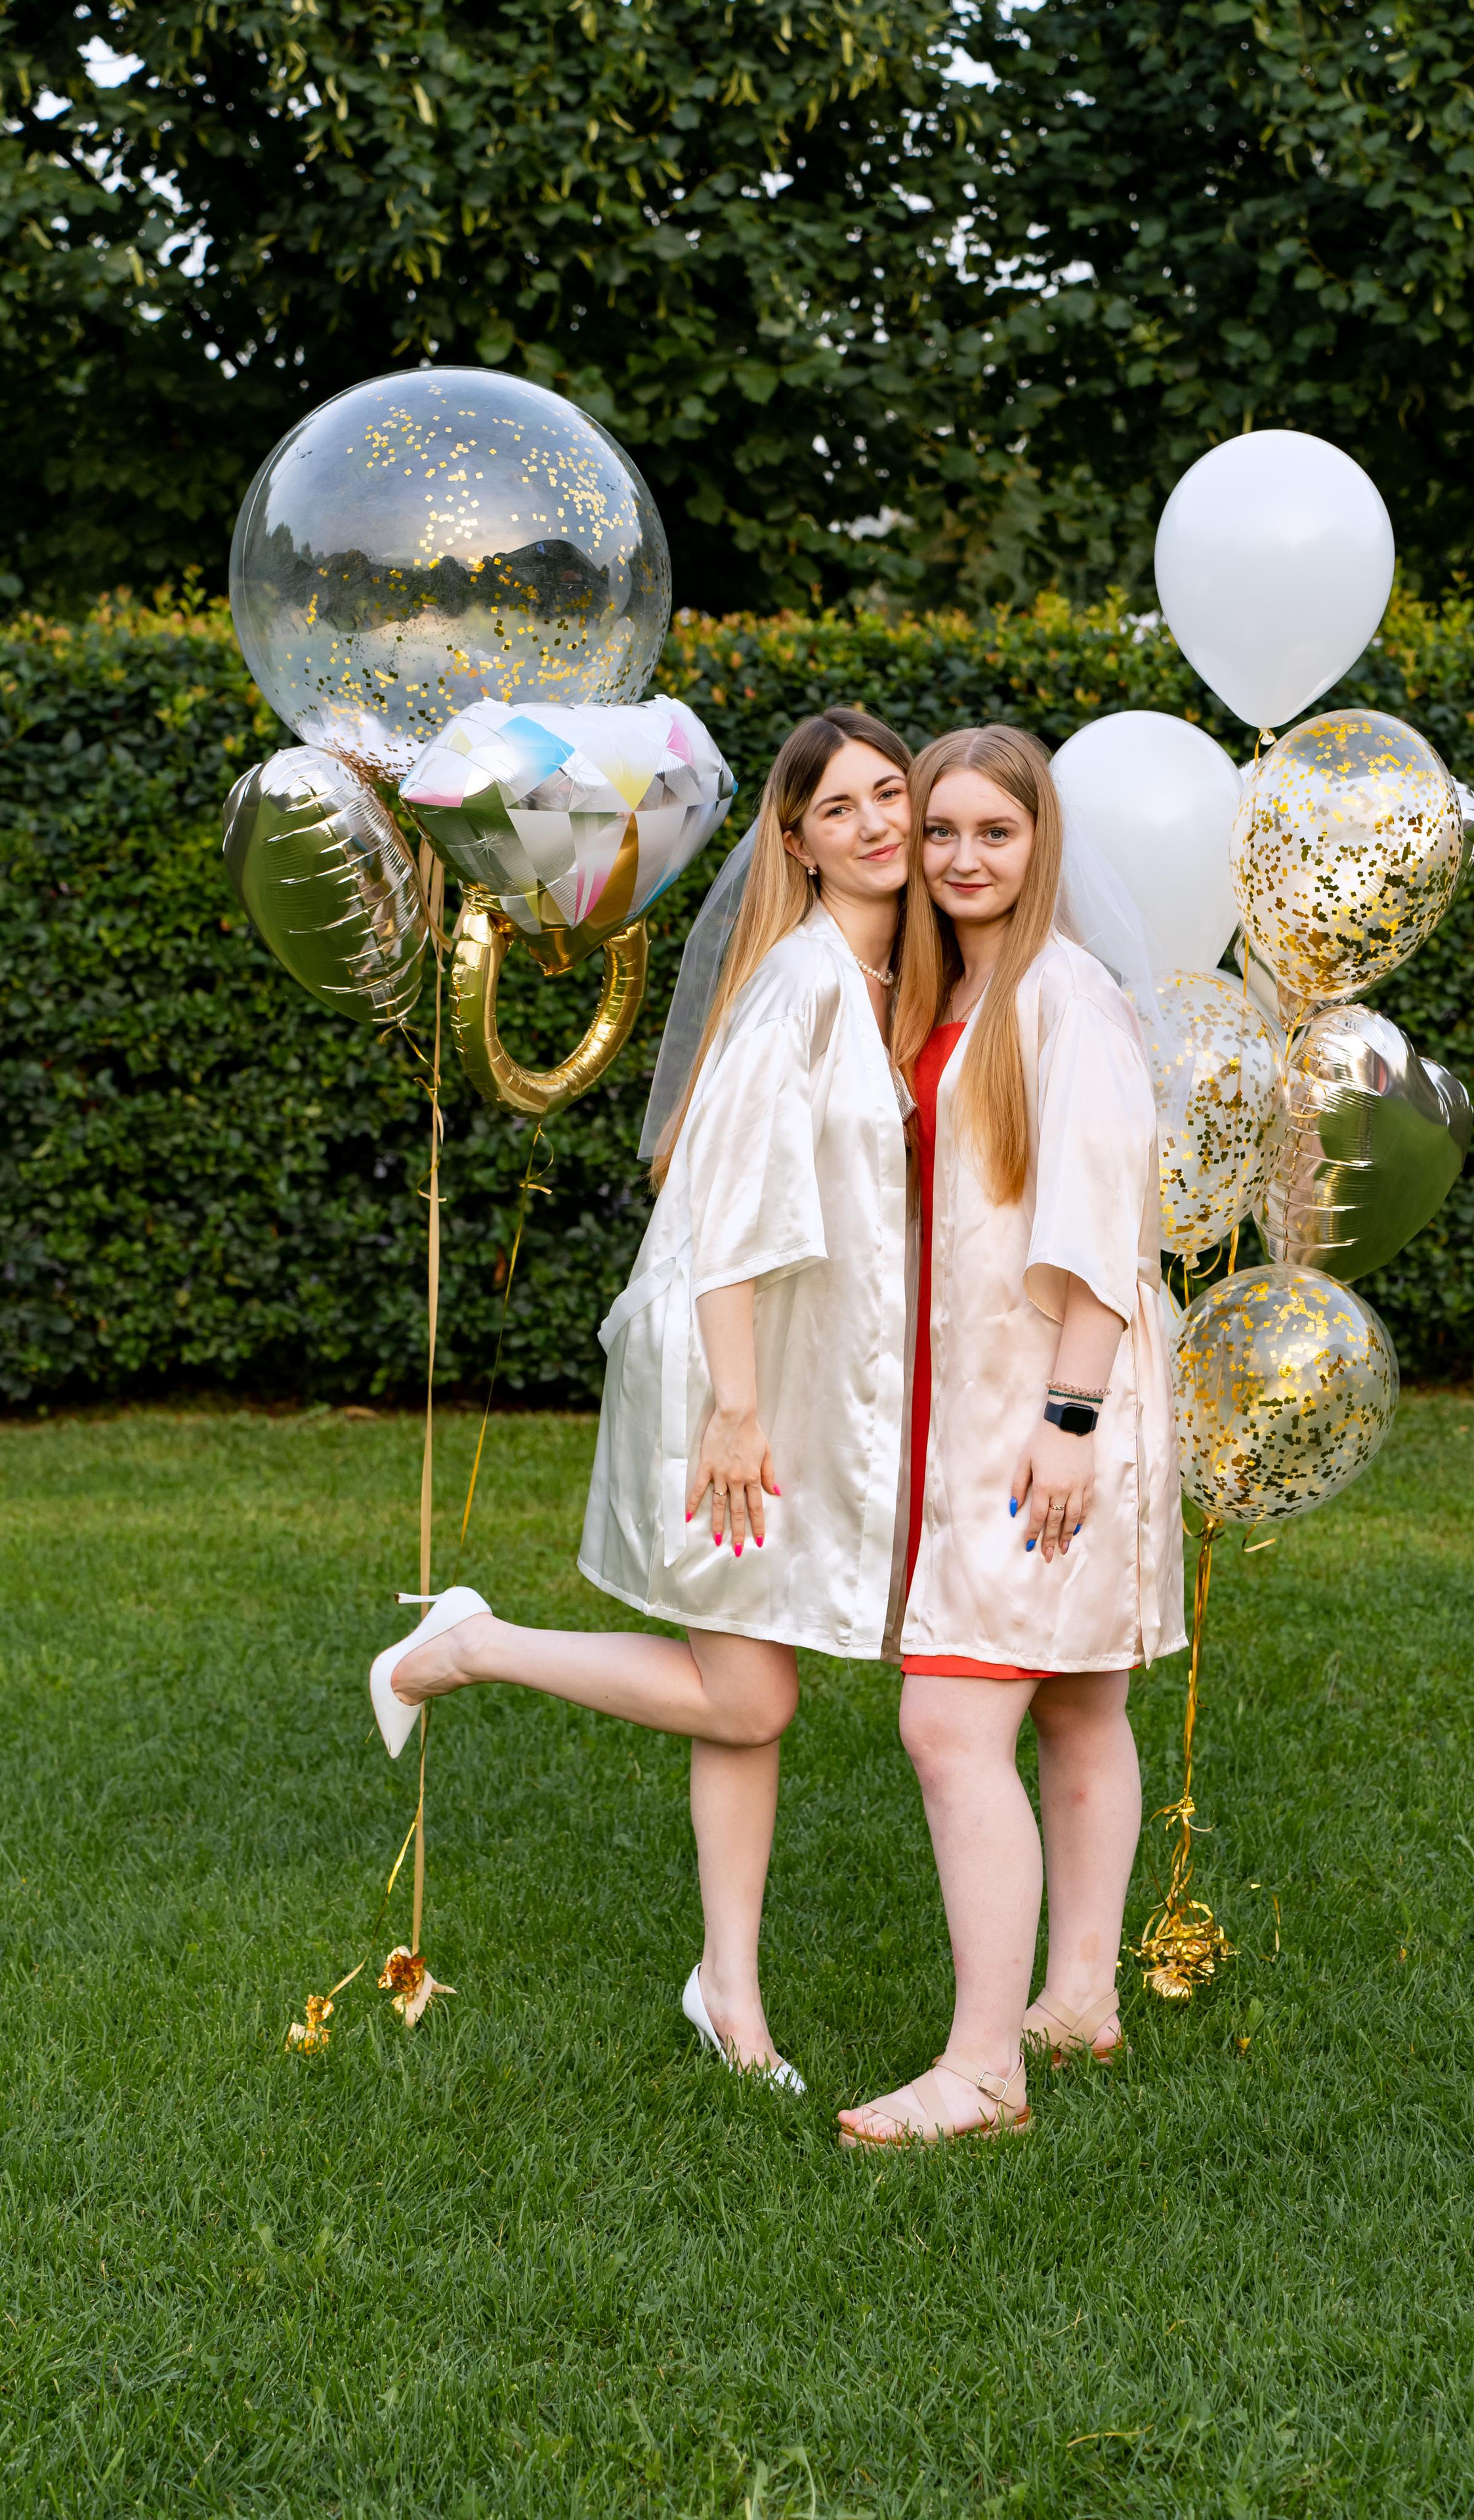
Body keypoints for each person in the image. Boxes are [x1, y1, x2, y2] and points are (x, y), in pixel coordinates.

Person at [370, 708, 916, 2088]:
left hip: (779, 1363)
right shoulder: (797, 981)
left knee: (752, 1678)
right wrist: (736, 1410)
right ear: (791, 838)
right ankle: (466, 1646)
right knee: (748, 1698)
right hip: (728, 1369)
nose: (875, 822)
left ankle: (726, 1991)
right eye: (838, 806)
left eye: (890, 792)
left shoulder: (874, 977)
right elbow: (717, 1202)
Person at [836, 723, 1185, 2147]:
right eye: (940, 833)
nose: (962, 857)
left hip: (1052, 1402)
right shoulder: (960, 994)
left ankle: (982, 2071)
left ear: (1040, 845)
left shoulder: (1062, 998)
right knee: (1075, 1703)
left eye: (994, 831)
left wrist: (1066, 1419)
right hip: (997, 1396)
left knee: (948, 1717)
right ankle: (1080, 1995)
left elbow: (1103, 1230)